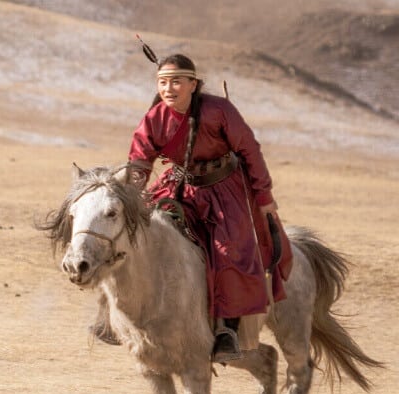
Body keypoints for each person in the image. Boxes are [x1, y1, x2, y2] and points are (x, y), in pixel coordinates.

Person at [107, 53, 292, 363]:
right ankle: (112, 315)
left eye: (176, 81)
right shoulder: (154, 118)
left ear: (193, 84)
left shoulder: (219, 110)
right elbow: (139, 161)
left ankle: (226, 329)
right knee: (137, 235)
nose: (169, 88)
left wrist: (263, 196)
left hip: (225, 190)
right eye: (163, 82)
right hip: (178, 188)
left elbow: (250, 150)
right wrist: (132, 196)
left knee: (229, 251)